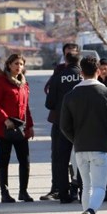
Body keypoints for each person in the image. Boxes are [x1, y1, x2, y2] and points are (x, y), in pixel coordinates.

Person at [59, 54, 107, 214]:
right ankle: (91, 212)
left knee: (86, 186)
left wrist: (75, 139)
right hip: (100, 146)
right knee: (99, 187)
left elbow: (64, 126)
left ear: (81, 72)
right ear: (98, 71)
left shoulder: (70, 95)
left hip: (80, 147)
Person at [0, 53, 35, 203]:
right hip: (5, 129)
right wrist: (5, 119)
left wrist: (30, 126)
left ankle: (23, 192)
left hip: (21, 128)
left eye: (21, 64)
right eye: (16, 64)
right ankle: (5, 193)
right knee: (4, 160)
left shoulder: (24, 83)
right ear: (9, 65)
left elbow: (26, 107)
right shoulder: (0, 81)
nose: (19, 67)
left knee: (25, 160)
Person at [43, 44, 81, 203]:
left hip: (62, 122)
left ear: (66, 59)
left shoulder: (59, 76)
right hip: (82, 123)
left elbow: (49, 103)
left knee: (61, 159)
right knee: (84, 158)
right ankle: (83, 192)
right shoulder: (85, 75)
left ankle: (63, 194)